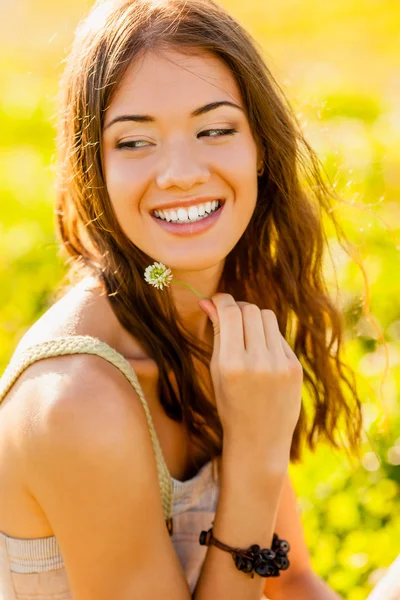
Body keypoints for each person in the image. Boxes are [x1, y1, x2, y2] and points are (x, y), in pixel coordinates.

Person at [0, 0, 364, 598]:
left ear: (261, 147)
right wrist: (253, 455)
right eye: (135, 141)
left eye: (215, 129)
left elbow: (294, 580)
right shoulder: (76, 401)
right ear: (94, 169)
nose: (181, 173)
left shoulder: (219, 314)